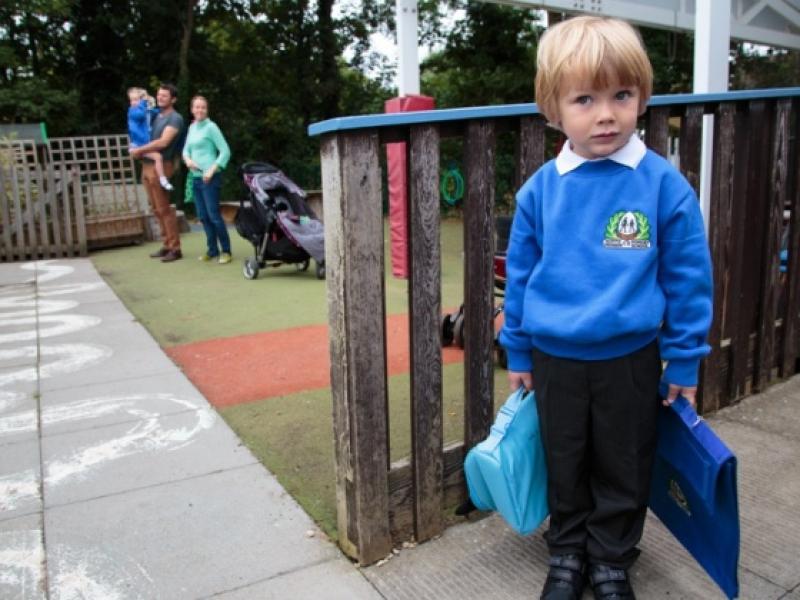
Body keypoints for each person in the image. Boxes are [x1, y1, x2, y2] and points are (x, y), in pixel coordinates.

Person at [498, 16, 713, 600]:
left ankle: (613, 558)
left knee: (624, 463)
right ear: (553, 109)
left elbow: (689, 278)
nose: (606, 114)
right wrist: (517, 346)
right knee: (564, 459)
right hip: (554, 357)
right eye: (585, 99)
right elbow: (518, 278)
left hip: (632, 358)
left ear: (641, 97)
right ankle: (567, 552)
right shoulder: (540, 190)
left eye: (621, 95)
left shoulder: (663, 186)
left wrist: (686, 359)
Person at [130, 83, 185, 262]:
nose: (160, 98)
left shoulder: (175, 118)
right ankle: (166, 244)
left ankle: (175, 249)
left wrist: (139, 150)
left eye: (165, 96)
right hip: (146, 164)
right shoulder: (154, 115)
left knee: (164, 208)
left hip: (162, 165)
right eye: (159, 95)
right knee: (155, 209)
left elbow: (163, 143)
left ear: (173, 99)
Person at [182, 95, 232, 264]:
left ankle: (226, 251)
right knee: (203, 217)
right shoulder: (192, 127)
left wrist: (212, 170)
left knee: (214, 216)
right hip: (195, 179)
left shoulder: (211, 127)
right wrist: (188, 160)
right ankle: (212, 250)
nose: (200, 110)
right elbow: (185, 150)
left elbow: (225, 151)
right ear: (192, 110)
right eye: (197, 107)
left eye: (203, 107)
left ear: (207, 110)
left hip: (210, 179)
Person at [126, 87, 173, 191]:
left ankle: (162, 179)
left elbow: (152, 112)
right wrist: (143, 101)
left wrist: (157, 110)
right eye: (131, 100)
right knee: (158, 157)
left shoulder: (144, 110)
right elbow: (141, 115)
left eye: (136, 99)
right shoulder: (132, 112)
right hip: (138, 145)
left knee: (157, 157)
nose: (133, 102)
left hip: (143, 143)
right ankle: (163, 180)